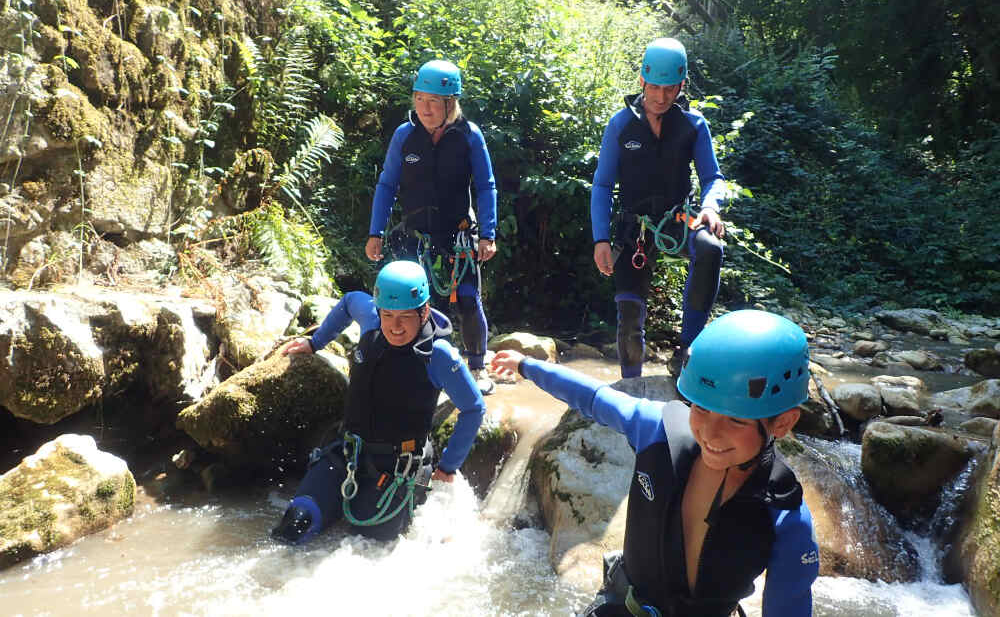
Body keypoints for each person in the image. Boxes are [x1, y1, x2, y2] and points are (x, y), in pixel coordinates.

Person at [491, 310, 819, 616]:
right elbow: (593, 398)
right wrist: (527, 366)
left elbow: (788, 606)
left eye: (735, 420)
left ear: (782, 423)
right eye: (701, 408)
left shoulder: (785, 515)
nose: (710, 434)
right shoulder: (660, 431)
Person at [271, 260, 486, 543]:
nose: (394, 327)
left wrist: (448, 466)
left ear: (423, 312)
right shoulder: (372, 322)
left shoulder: (439, 355)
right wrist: (315, 342)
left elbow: (473, 408)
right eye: (388, 315)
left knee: (366, 549)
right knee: (295, 527)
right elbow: (350, 301)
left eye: (404, 317)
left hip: (399, 468)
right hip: (347, 455)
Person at [591, 37, 727, 378]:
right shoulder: (621, 125)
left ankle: (687, 352)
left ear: (681, 86)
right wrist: (600, 239)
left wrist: (711, 207)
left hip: (678, 217)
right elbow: (603, 185)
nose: (661, 97)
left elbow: (714, 177)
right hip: (633, 225)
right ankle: (632, 384)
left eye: (670, 89)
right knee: (628, 315)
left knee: (710, 247)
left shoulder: (693, 125)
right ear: (642, 82)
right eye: (655, 88)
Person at [366, 59, 498, 395]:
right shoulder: (405, 136)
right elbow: (386, 185)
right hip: (415, 238)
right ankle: (426, 370)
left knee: (468, 300)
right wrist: (375, 232)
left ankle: (477, 366)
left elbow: (485, 185)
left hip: (458, 237)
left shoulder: (469, 136)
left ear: (449, 103)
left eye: (433, 102)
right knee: (420, 309)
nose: (425, 108)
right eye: (420, 99)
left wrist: (487, 234)